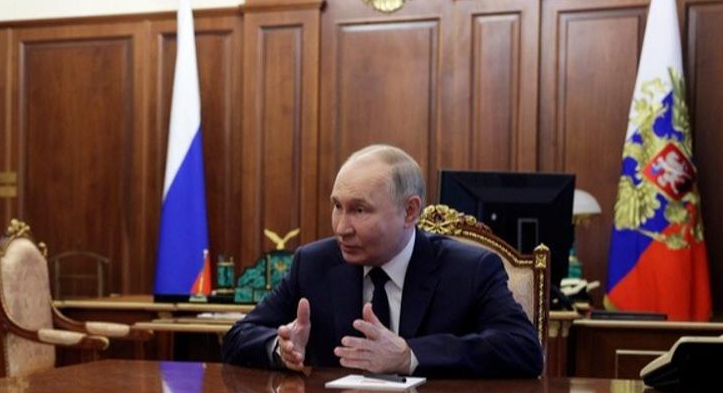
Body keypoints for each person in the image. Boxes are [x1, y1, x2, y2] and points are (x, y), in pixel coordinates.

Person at [222, 144, 542, 378]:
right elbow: (239, 336)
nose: (341, 228)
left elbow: (523, 349)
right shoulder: (314, 263)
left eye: (359, 210)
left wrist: (410, 355)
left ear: (409, 211)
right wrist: (281, 349)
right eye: (337, 206)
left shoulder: (470, 269)